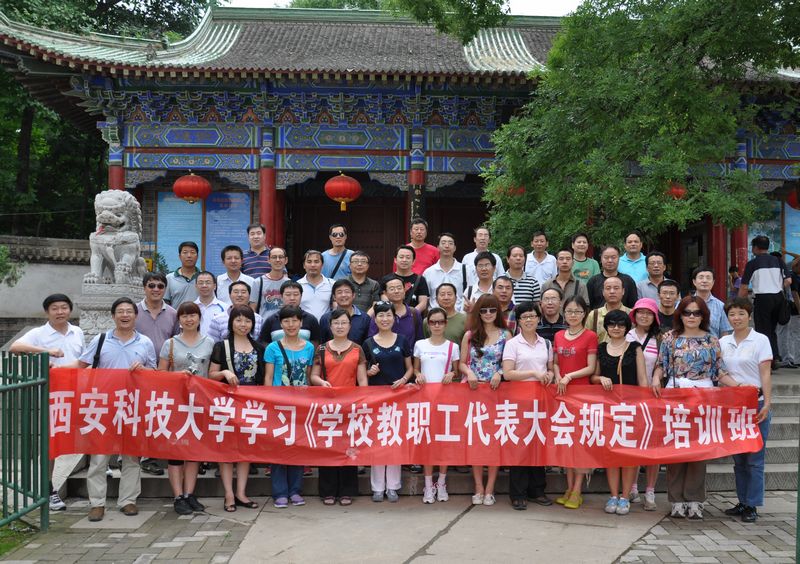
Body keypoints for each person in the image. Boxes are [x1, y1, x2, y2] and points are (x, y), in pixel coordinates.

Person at [651, 296, 738, 520]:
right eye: (687, 312)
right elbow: (661, 365)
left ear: (703, 316)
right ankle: (676, 500)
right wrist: (655, 378)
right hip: (676, 396)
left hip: (703, 398)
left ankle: (695, 499)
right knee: (675, 449)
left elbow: (720, 371)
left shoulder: (712, 340)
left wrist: (739, 387)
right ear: (680, 315)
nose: (691, 317)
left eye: (696, 313)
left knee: (699, 450)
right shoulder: (670, 338)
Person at [77, 297, 157, 522]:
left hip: (133, 405)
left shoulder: (145, 342)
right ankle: (97, 503)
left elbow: (154, 373)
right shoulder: (101, 340)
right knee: (99, 457)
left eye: (129, 311)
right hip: (103, 406)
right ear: (113, 316)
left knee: (131, 457)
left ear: (136, 316)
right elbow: (81, 366)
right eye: (120, 311)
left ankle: (128, 500)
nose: (125, 315)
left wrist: (143, 370)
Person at [10, 293, 85, 511]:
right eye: (55, 308)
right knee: (52, 443)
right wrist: (47, 352)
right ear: (47, 312)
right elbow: (15, 347)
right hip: (52, 395)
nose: (60, 312)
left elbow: (83, 360)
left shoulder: (77, 331)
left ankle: (100, 464)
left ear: (70, 310)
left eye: (64, 307)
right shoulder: (39, 333)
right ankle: (49, 488)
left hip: (77, 391)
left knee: (87, 429)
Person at [157, 302, 214, 515]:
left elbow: (211, 373)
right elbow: (160, 373)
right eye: (184, 316)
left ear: (199, 318)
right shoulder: (170, 343)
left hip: (200, 403)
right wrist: (177, 376)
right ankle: (178, 496)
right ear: (179, 320)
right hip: (176, 403)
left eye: (193, 315)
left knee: (194, 451)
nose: (189, 319)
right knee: (176, 451)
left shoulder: (210, 342)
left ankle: (190, 494)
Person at [208, 305, 266, 512]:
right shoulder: (221, 346)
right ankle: (229, 494)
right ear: (231, 322)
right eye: (239, 320)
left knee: (245, 450)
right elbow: (211, 375)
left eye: (248, 321)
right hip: (227, 404)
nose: (243, 324)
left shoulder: (259, 347)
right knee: (226, 450)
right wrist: (224, 372)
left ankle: (241, 493)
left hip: (250, 405)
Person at [720, 298, 772, 523]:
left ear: (749, 316)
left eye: (741, 313)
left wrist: (767, 403)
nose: (737, 318)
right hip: (733, 406)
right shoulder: (723, 341)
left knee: (754, 458)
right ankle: (742, 501)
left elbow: (765, 373)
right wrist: (738, 386)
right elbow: (719, 372)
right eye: (732, 314)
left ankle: (752, 504)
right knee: (739, 458)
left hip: (755, 404)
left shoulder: (760, 340)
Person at [591, 309, 647, 516]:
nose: (616, 328)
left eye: (621, 325)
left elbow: (642, 379)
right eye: (612, 324)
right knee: (611, 453)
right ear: (606, 327)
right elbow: (593, 377)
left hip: (631, 408)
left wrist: (644, 406)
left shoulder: (635, 348)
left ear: (626, 327)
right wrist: (600, 379)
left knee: (629, 455)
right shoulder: (601, 348)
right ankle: (613, 495)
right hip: (608, 409)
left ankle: (625, 496)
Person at [310, 308, 368, 506]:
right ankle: (327, 491)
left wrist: (363, 402)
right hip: (327, 407)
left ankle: (346, 491)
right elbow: (314, 375)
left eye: (344, 323)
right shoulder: (322, 349)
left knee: (348, 448)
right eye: (336, 323)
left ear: (350, 326)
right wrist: (321, 382)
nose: (340, 326)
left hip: (350, 406)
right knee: (327, 446)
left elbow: (362, 380)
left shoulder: (357, 349)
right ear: (330, 326)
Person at [501, 301, 554, 510]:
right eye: (525, 317)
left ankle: (538, 490)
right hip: (519, 401)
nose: (529, 320)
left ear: (539, 319)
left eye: (533, 316)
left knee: (538, 444)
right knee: (520, 446)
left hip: (540, 401)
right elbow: (508, 373)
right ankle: (518, 493)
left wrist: (549, 374)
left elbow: (550, 368)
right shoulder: (513, 344)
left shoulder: (545, 343)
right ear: (519, 321)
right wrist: (533, 373)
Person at [459, 294, 511, 507]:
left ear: (498, 312)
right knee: (477, 440)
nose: (488, 314)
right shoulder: (470, 335)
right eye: (483, 310)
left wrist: (500, 373)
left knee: (494, 441)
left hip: (497, 393)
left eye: (492, 310)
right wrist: (469, 372)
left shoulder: (506, 335)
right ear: (478, 313)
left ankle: (490, 488)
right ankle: (478, 486)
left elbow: (509, 363)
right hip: (474, 393)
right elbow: (462, 363)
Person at [265, 306, 316, 508]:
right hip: (278, 406)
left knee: (297, 447)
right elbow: (269, 377)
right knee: (278, 447)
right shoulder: (273, 348)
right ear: (281, 324)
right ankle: (279, 492)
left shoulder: (309, 347)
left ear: (301, 323)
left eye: (295, 320)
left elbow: (309, 376)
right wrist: (268, 402)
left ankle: (295, 490)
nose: (291, 325)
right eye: (286, 321)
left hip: (301, 406)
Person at [362, 301, 414, 502]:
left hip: (398, 398)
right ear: (375, 319)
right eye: (381, 315)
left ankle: (393, 486)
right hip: (376, 400)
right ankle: (377, 487)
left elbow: (410, 367)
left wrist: (404, 380)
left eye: (388, 315)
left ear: (394, 318)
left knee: (394, 441)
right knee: (377, 442)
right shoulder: (368, 343)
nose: (385, 319)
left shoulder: (402, 340)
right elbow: (362, 373)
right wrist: (369, 372)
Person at [552, 295, 596, 510]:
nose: (573, 315)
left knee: (580, 444)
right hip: (562, 394)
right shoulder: (558, 335)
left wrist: (569, 376)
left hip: (582, 394)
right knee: (566, 442)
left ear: (584, 313)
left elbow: (590, 367)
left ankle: (578, 489)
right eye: (569, 311)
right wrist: (558, 375)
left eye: (577, 311)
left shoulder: (590, 336)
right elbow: (555, 362)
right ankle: (569, 489)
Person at [413, 308, 460, 503]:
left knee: (443, 443)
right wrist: (418, 375)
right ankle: (427, 484)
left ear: (446, 324)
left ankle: (441, 482)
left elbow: (457, 371)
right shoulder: (420, 344)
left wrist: (452, 374)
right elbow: (416, 368)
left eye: (440, 322)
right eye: (433, 322)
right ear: (428, 324)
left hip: (445, 400)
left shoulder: (453, 347)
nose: (437, 325)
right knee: (427, 443)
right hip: (424, 400)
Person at [625, 298, 662, 511]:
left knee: (653, 444)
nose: (644, 316)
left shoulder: (661, 338)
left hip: (653, 397)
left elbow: (663, 363)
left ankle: (650, 490)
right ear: (634, 315)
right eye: (640, 312)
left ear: (655, 317)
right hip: (629, 397)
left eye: (649, 313)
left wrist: (656, 377)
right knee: (633, 442)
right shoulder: (626, 335)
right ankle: (632, 487)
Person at [738, 236, 792, 367]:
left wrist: (738, 303)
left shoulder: (752, 264)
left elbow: (744, 287)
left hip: (762, 299)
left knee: (762, 330)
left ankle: (766, 361)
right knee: (772, 329)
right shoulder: (778, 261)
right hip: (778, 298)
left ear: (755, 248)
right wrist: (777, 287)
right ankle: (774, 357)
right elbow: (788, 280)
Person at [259, 280, 321, 347]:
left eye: (296, 294)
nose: (292, 298)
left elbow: (316, 341)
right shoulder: (271, 320)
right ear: (281, 296)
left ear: (301, 296)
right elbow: (263, 342)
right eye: (288, 295)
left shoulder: (311, 319)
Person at [369, 275, 423, 349]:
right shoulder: (379, 314)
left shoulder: (414, 313)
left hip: (409, 356)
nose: (396, 291)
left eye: (399, 288)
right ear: (385, 293)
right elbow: (371, 340)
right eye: (392, 289)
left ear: (404, 290)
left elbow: (420, 341)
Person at [136, 272, 179, 360]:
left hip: (165, 365)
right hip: (138, 364)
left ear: (165, 289)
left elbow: (177, 341)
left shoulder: (173, 314)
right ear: (144, 288)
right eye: (151, 286)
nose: (156, 289)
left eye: (160, 286)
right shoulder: (133, 312)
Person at [423, 233, 466, 311]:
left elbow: (469, 294)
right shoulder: (428, 272)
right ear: (438, 247)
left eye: (450, 243)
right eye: (443, 243)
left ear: (455, 248)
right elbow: (426, 299)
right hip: (435, 315)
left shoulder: (465, 270)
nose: (447, 246)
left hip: (459, 314)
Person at [319, 279, 370, 344]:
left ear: (353, 295)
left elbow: (367, 344)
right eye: (339, 292)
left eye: (347, 292)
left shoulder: (365, 318)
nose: (343, 295)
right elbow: (323, 344)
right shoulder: (326, 318)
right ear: (334, 297)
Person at [383, 245, 430, 313]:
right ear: (395, 260)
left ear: (413, 261)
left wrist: (409, 315)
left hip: (412, 316)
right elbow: (384, 299)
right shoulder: (386, 279)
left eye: (408, 257)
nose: (404, 260)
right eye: (401, 257)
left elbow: (423, 303)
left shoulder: (420, 280)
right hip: (391, 316)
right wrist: (394, 313)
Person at [585, 276, 632, 343]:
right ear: (603, 292)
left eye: (616, 288)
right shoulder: (594, 315)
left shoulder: (631, 314)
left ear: (623, 291)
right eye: (608, 288)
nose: (612, 291)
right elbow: (587, 339)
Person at [692, 266, 732, 338]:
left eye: (708, 278)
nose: (704, 281)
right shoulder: (683, 304)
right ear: (694, 282)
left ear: (713, 282)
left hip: (713, 344)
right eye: (701, 277)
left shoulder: (720, 306)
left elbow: (724, 333)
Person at [250, 247, 290, 318]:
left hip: (284, 323)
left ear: (286, 260)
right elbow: (252, 308)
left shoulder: (289, 283)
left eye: (280, 257)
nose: (277, 260)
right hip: (264, 323)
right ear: (268, 260)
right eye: (274, 257)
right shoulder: (258, 282)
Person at [298, 250, 334, 321]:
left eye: (316, 262)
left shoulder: (332, 284)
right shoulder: (297, 286)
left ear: (322, 265)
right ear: (304, 265)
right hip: (304, 326)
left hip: (326, 325)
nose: (313, 265)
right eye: (309, 262)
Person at [164, 241, 200, 306]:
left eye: (192, 252)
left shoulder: (203, 278)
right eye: (185, 252)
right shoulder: (169, 278)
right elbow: (165, 303)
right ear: (179, 256)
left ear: (197, 256)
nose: (189, 256)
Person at [193, 271, 226, 336]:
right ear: (196, 286)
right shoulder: (191, 307)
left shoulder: (225, 308)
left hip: (218, 342)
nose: (204, 286)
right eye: (201, 283)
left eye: (208, 283)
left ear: (215, 286)